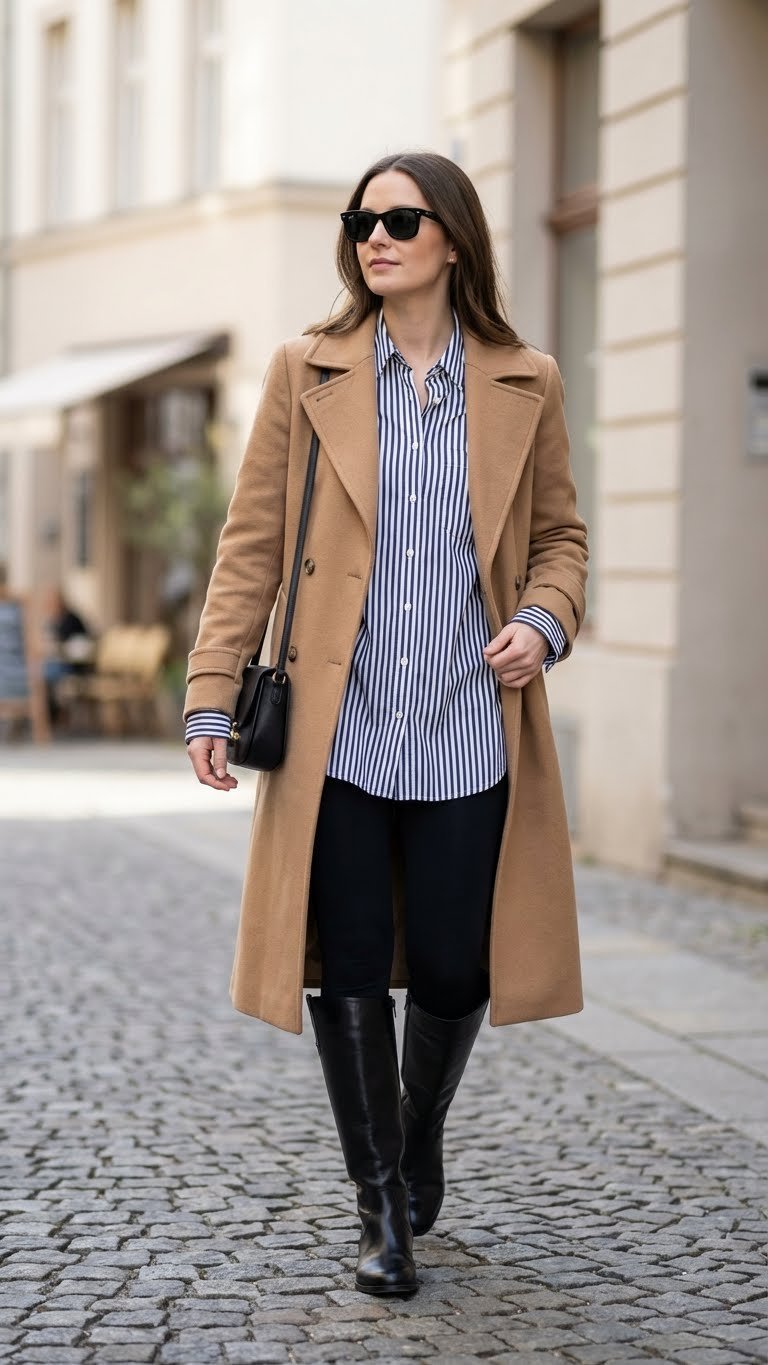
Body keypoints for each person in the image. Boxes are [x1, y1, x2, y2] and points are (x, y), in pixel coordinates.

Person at [185, 151, 588, 1298]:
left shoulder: (524, 379)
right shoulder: (307, 370)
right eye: (362, 220)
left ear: (453, 238)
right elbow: (251, 544)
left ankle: (416, 1143)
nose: (375, 236)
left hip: (469, 725)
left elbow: (563, 538)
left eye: (400, 219)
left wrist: (543, 621)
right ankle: (383, 1212)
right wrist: (213, 692)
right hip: (340, 728)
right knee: (352, 960)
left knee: (458, 964)